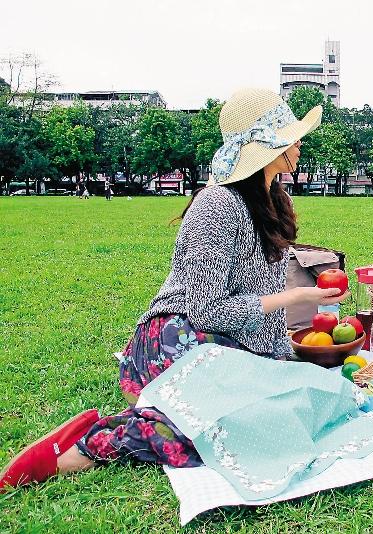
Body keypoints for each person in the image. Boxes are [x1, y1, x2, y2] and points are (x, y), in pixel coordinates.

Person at [1, 88, 347, 490]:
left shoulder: (271, 200)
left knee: (294, 408)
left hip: (226, 345)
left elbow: (258, 313)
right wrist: (299, 297)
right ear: (267, 147)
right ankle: (84, 447)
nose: (299, 142)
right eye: (290, 135)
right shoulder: (217, 206)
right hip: (179, 337)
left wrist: (279, 364)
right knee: (223, 436)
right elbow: (207, 311)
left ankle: (164, 411)